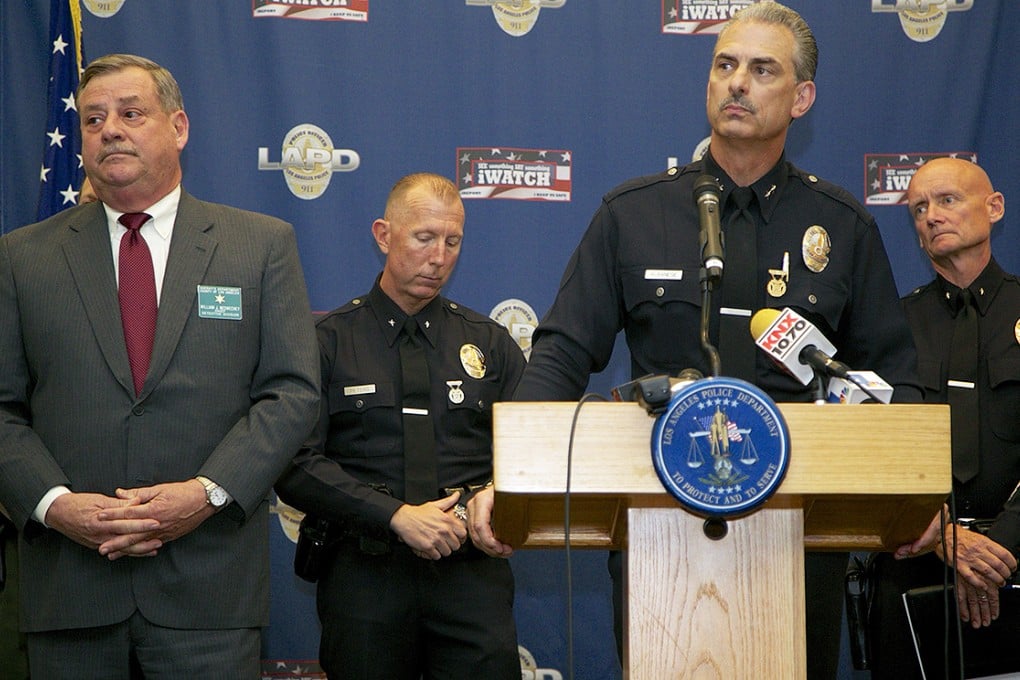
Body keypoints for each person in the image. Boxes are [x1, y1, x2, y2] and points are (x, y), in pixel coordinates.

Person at [509, 2, 921, 677]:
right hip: (654, 524)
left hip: (803, 530)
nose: (737, 82)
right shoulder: (632, 214)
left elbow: (893, 379)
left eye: (762, 70)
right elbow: (559, 352)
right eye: (724, 65)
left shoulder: (841, 226)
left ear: (802, 97)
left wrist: (911, 492)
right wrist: (517, 472)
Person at [0, 54, 320, 677]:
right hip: (71, 592)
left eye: (130, 113)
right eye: (93, 119)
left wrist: (205, 494)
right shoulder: (22, 258)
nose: (110, 129)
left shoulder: (259, 246)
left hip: (210, 596)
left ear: (178, 127)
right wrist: (55, 504)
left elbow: (292, 394)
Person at [275, 172, 525, 679]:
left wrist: (498, 492)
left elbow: (539, 452)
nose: (439, 258)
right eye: (424, 238)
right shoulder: (327, 342)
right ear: (384, 235)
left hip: (470, 575)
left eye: (452, 241)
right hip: (365, 575)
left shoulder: (491, 343)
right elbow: (293, 463)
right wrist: (394, 515)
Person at [868, 158, 1020, 678]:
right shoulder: (890, 328)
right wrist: (940, 534)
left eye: (947, 200)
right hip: (916, 561)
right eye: (919, 209)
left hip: (1014, 560)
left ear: (994, 207)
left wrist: (996, 550)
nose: (931, 216)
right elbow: (872, 448)